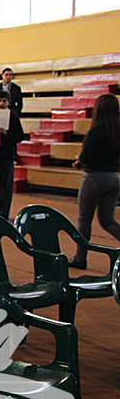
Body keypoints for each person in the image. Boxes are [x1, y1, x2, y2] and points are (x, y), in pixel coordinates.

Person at [69, 93, 120, 269]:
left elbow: (85, 157)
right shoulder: (117, 131)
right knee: (108, 221)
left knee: (84, 219)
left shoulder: (96, 131)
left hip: (95, 178)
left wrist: (78, 161)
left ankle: (80, 258)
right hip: (114, 177)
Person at [0, 89, 24, 219]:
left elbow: (20, 136)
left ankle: (4, 210)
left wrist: (6, 134)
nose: (1, 103)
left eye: (4, 101)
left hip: (8, 155)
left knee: (7, 184)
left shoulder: (13, 117)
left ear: (9, 102)